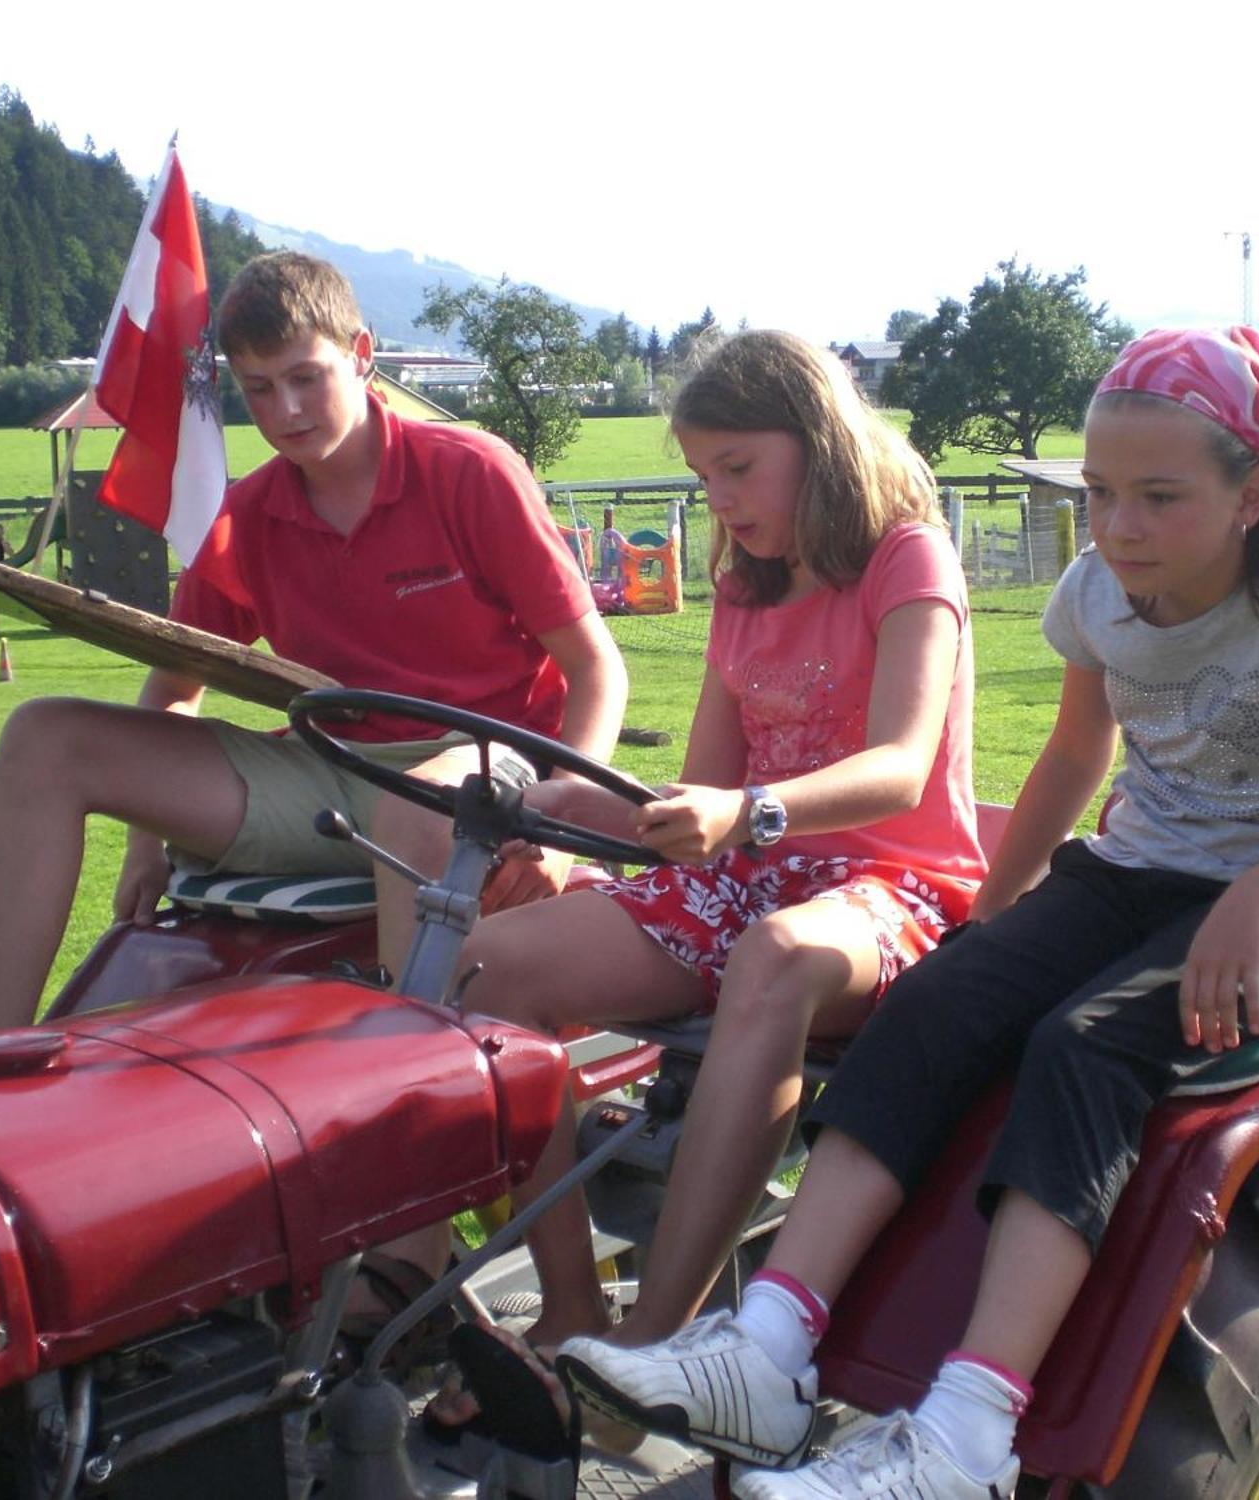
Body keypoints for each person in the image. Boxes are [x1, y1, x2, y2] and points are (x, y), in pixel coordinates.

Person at [556, 326, 1259, 1500]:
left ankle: (965, 1432)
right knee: (935, 1003)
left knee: (1080, 1051)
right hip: (1127, 875)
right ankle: (767, 1350)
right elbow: (1078, 753)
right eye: (1099, 495)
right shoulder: (1099, 592)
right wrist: (988, 911)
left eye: (1157, 497)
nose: (1118, 527)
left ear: (1254, 492)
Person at [415, 329, 985, 1439]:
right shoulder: (741, 585)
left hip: (892, 880)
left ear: (816, 445)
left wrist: (747, 816)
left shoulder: (905, 558)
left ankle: (653, 1343)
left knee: (772, 963)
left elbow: (900, 765)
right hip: (752, 872)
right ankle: (569, 1311)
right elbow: (710, 790)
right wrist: (598, 812)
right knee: (484, 967)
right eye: (701, 476)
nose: (718, 499)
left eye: (737, 469)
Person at [0, 251, 626, 1044]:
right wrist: (144, 849)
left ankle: (421, 1086)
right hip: (332, 771)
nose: (287, 410)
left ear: (362, 356)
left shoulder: (468, 474)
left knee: (415, 813)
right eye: (259, 389)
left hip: (481, 762)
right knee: (45, 735)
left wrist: (554, 821)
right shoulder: (249, 516)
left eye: (307, 377)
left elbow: (595, 666)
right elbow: (174, 689)